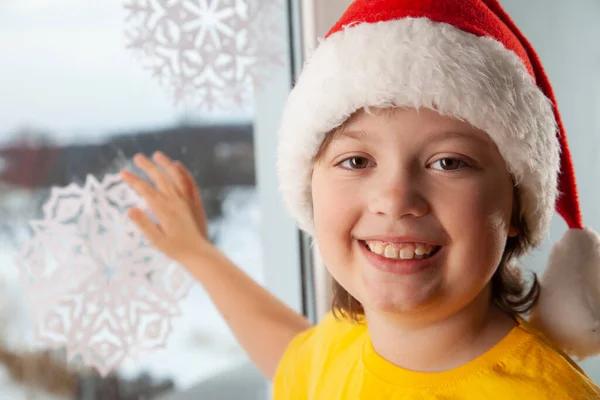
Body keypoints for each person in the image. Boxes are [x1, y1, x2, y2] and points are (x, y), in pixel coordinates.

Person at [121, 0, 600, 398]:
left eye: (448, 162)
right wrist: (197, 254)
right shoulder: (345, 344)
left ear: (516, 207)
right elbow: (293, 356)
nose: (394, 199)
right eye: (356, 161)